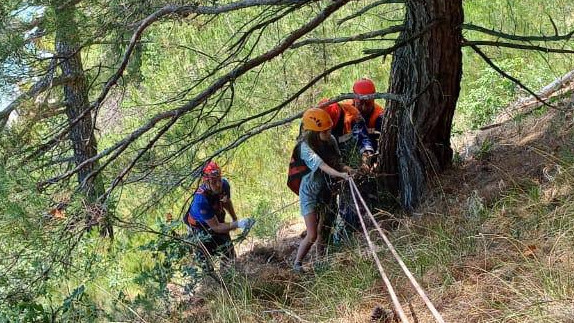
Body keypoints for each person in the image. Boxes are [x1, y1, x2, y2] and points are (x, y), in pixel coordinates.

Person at [293, 107, 354, 273]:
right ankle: (297, 263)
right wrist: (341, 174)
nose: (329, 133)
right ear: (314, 132)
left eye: (329, 129)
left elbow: (336, 161)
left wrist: (346, 169)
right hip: (309, 193)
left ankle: (321, 259)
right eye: (325, 131)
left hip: (326, 189)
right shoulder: (304, 148)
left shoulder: (330, 140)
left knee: (326, 227)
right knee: (312, 234)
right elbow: (323, 166)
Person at [183, 161, 254, 273]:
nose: (218, 184)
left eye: (219, 180)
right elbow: (216, 227)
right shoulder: (201, 200)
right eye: (214, 182)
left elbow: (226, 201)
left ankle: (229, 278)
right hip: (199, 229)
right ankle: (212, 284)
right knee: (206, 265)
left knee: (229, 256)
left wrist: (235, 218)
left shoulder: (224, 185)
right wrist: (239, 224)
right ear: (206, 181)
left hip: (216, 219)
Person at [351, 78, 385, 154]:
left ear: (373, 100)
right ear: (354, 99)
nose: (364, 108)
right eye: (360, 104)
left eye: (368, 104)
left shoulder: (380, 116)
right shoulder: (345, 110)